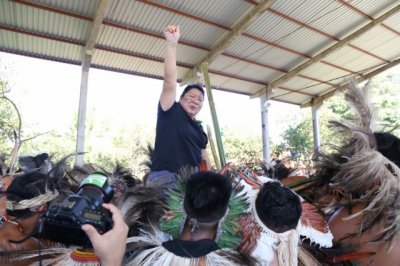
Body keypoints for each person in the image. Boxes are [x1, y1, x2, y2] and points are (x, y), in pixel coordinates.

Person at [146, 25, 211, 196]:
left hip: (193, 184)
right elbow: (169, 83)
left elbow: (204, 158)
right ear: (180, 99)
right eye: (190, 97)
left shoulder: (199, 130)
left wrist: (211, 179)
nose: (195, 101)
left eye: (199, 99)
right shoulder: (170, 111)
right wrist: (172, 45)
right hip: (166, 179)